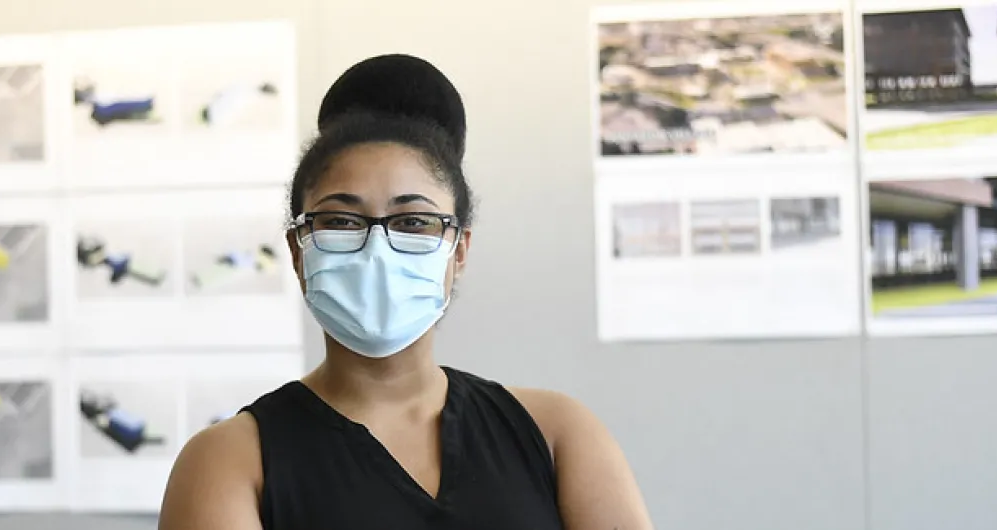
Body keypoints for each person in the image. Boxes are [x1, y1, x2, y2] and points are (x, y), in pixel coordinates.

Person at [158, 54, 653, 530]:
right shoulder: (231, 460)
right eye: (341, 221)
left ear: (458, 252)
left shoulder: (555, 434)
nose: (377, 249)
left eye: (413, 221)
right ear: (297, 250)